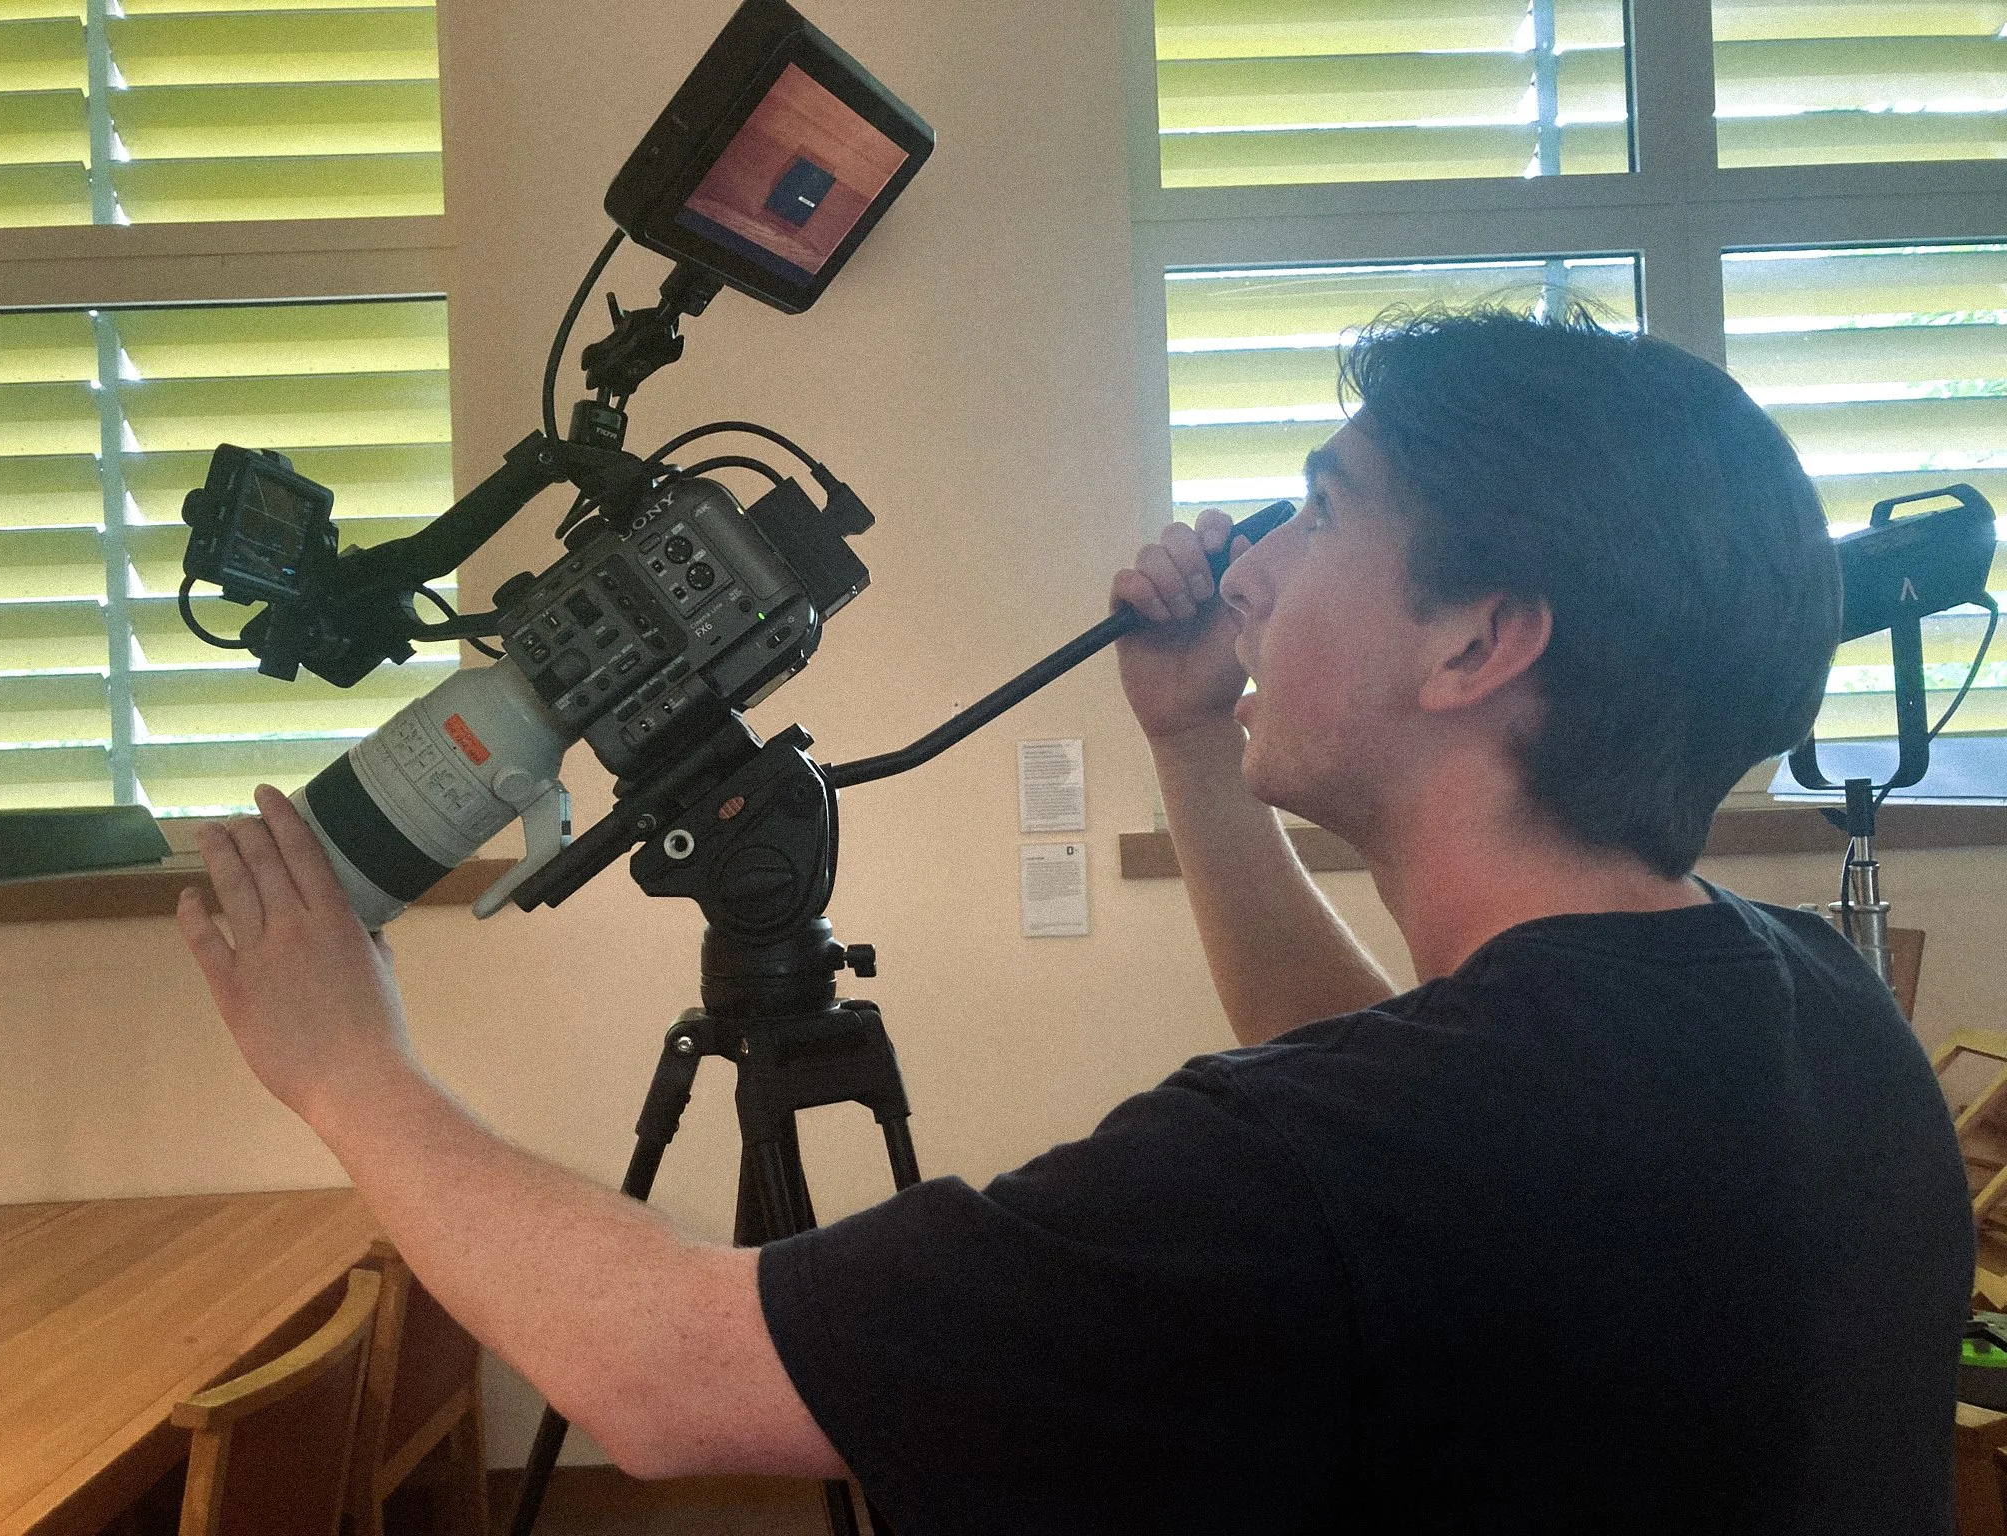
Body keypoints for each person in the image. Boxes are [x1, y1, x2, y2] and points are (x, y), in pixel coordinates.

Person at [177, 309, 1971, 1534]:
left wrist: (345, 1066)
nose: (1246, 562)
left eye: (1322, 509)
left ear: (1478, 641)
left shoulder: (1318, 1169)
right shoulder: (1816, 1011)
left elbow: (661, 1381)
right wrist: (1192, 743)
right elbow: (1396, 1092)